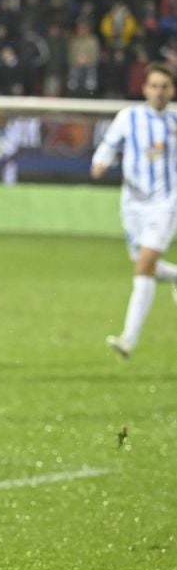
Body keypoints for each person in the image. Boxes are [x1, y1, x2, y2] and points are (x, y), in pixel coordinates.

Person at [91, 62, 177, 360]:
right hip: (133, 204)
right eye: (154, 86)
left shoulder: (176, 120)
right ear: (144, 89)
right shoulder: (129, 117)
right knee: (143, 264)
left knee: (144, 265)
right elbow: (109, 144)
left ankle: (128, 339)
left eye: (165, 87)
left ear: (172, 91)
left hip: (166, 203)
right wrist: (100, 161)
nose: (159, 92)